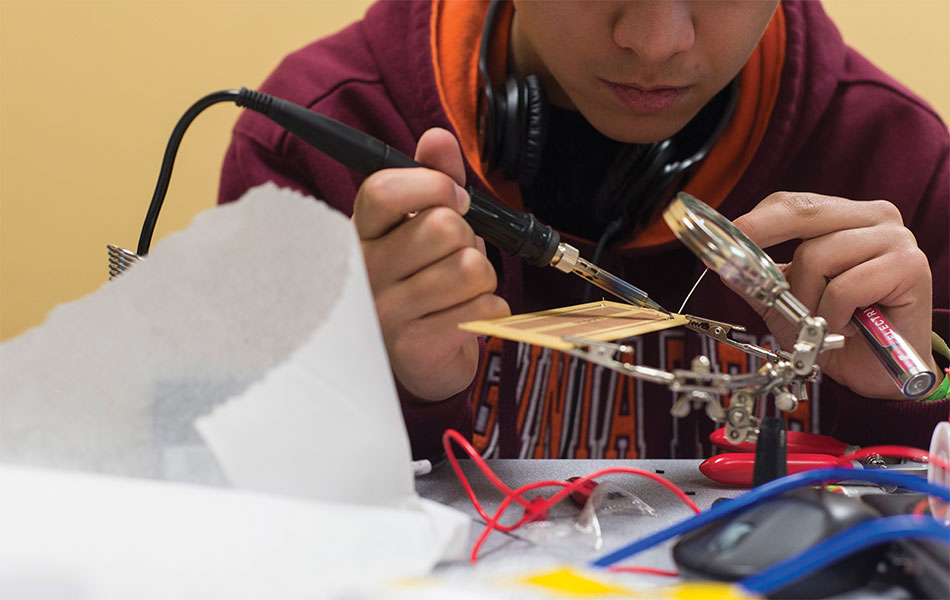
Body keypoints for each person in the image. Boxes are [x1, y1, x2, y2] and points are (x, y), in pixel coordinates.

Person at [218, 0, 949, 460]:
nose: (656, 40)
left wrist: (900, 398)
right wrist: (375, 380)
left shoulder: (901, 165)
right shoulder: (318, 147)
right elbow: (224, 518)